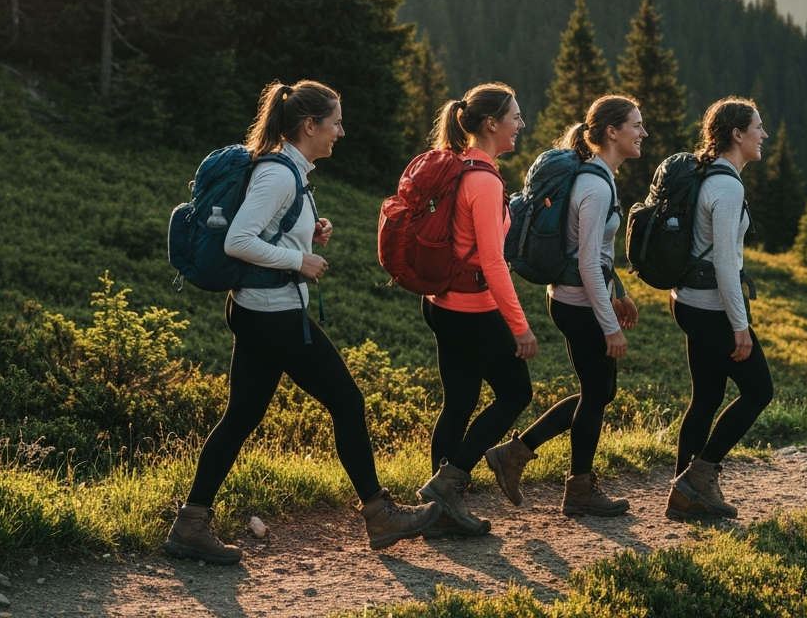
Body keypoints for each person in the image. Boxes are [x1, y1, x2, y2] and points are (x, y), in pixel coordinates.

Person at [165, 81, 439, 562]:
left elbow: (265, 229)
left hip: (257, 309)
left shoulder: (291, 171)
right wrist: (299, 262)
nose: (341, 130)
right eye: (334, 121)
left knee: (242, 417)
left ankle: (190, 524)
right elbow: (238, 241)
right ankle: (379, 513)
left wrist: (308, 233)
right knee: (348, 402)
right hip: (272, 313)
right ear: (308, 126)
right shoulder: (280, 175)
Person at [486, 95, 645, 517]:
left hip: (577, 298)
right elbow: (589, 262)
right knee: (596, 394)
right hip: (579, 304)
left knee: (600, 391)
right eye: (636, 125)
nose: (642, 133)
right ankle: (577, 488)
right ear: (612, 132)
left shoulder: (599, 176)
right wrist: (609, 323)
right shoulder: (594, 184)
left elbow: (594, 255)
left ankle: (517, 454)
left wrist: (619, 291)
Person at [416, 83, 538, 537]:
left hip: (440, 303)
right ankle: (450, 484)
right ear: (492, 124)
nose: (520, 126)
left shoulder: (459, 169)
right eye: (515, 118)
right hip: (471, 308)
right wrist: (519, 327)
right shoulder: (484, 181)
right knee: (516, 394)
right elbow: (493, 262)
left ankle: (439, 512)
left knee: (461, 400)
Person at [666, 97, 774, 521]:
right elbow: (727, 264)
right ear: (737, 134)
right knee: (758, 391)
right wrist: (740, 325)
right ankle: (698, 477)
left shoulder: (705, 174)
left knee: (707, 398)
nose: (763, 135)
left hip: (689, 301)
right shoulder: (728, 186)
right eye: (758, 127)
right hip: (712, 308)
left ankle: (685, 493)